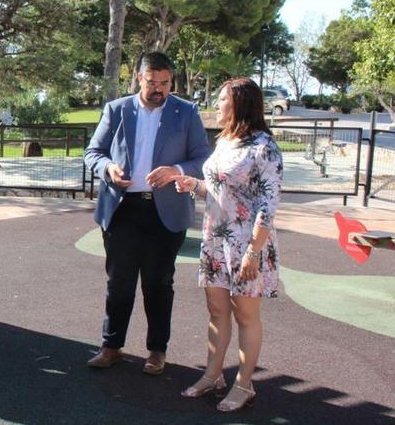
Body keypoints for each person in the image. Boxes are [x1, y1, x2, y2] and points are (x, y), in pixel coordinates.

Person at [84, 52, 210, 375]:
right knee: (119, 282)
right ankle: (111, 346)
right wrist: (108, 167)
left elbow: (202, 160)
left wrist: (176, 170)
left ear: (171, 81)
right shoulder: (117, 109)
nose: (159, 89)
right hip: (122, 209)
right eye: (152, 82)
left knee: (158, 283)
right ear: (139, 78)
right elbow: (92, 153)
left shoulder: (187, 112)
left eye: (165, 83)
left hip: (164, 211)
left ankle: (157, 351)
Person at [173, 77, 282, 412]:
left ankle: (244, 384)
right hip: (216, 240)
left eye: (222, 99)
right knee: (217, 310)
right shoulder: (225, 142)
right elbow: (220, 190)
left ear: (240, 104)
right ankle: (213, 375)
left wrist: (253, 251)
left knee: (246, 316)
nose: (216, 104)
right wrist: (193, 184)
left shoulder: (264, 147)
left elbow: (268, 204)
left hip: (247, 244)